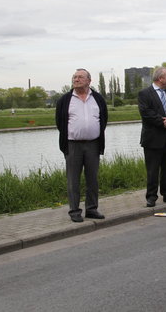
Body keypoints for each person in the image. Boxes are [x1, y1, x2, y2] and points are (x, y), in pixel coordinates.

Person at [55, 68, 108, 223]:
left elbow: (103, 120)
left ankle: (91, 209)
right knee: (73, 180)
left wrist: (93, 133)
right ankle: (75, 211)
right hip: (73, 145)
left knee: (92, 179)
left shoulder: (98, 98)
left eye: (80, 77)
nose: (76, 79)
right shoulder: (65, 100)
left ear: (88, 81)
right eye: (74, 77)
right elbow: (60, 123)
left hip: (93, 144)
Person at [138, 67, 166, 208]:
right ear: (160, 78)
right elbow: (146, 113)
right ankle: (151, 196)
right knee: (152, 169)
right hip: (152, 138)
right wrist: (164, 122)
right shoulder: (145, 94)